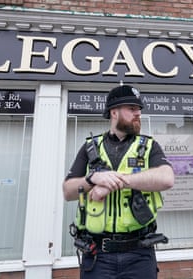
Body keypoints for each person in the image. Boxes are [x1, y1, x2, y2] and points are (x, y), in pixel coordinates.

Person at [63, 84, 174, 279]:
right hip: (97, 254)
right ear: (114, 112)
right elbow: (68, 191)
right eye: (132, 109)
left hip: (139, 253)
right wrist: (92, 179)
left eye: (139, 109)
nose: (138, 113)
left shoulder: (149, 146)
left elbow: (166, 178)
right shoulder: (90, 147)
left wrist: (115, 182)